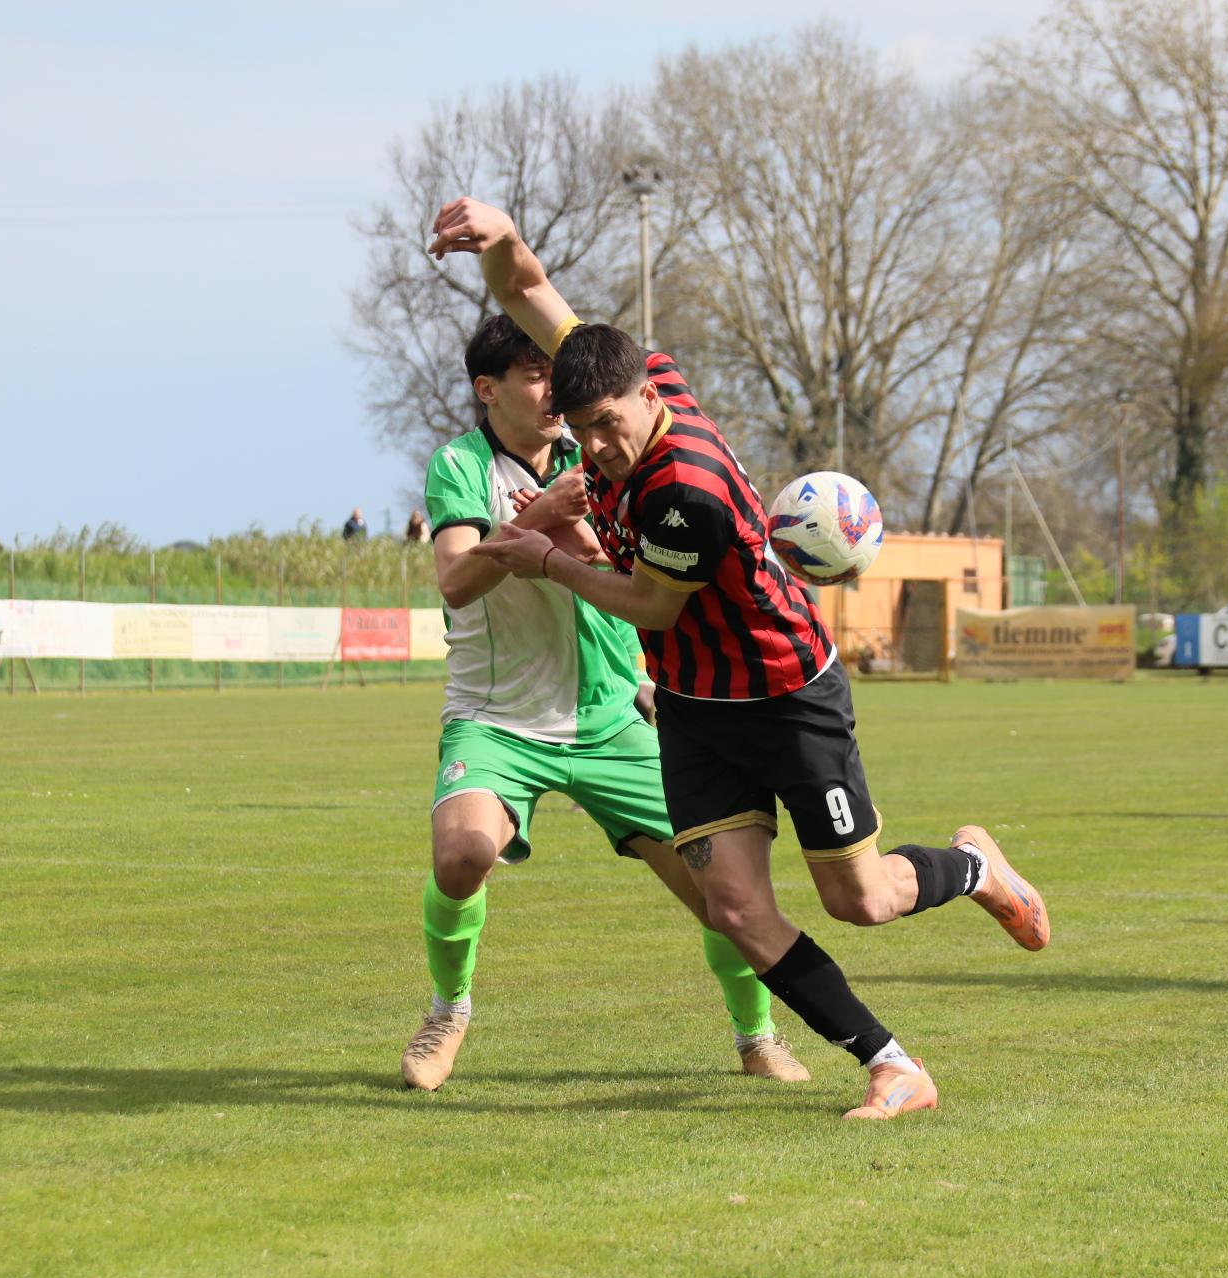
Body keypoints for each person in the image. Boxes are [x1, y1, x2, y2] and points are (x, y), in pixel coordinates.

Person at [438, 197, 1049, 1119]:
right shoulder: (635, 382)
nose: (594, 446)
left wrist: (546, 558)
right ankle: (893, 1065)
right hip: (693, 707)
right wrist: (503, 237)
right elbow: (527, 288)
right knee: (733, 907)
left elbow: (650, 603)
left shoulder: (682, 492)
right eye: (580, 426)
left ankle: (972, 867)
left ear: (648, 397)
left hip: (785, 696)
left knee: (860, 899)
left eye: (606, 424)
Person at [401, 313, 807, 1091]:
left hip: (613, 715)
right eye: (533, 377)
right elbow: (455, 581)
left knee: (724, 897)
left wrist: (647, 671)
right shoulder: (460, 465)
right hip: (498, 718)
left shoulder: (603, 453)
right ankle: (448, 1012)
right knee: (462, 855)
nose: (552, 393)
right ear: (487, 390)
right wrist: (540, 518)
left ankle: (756, 1035)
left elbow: (643, 577)